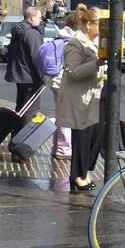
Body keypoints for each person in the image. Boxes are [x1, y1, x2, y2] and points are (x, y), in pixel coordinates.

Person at [59, 5, 104, 192]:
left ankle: (83, 171)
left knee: (97, 134)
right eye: (100, 25)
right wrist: (97, 63)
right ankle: (78, 175)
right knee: (83, 138)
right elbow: (73, 71)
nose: (101, 30)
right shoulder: (75, 43)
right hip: (80, 99)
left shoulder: (93, 42)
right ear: (89, 25)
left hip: (92, 95)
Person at [5, 5, 46, 110]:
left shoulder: (18, 30)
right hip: (31, 78)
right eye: (39, 17)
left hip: (20, 75)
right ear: (32, 17)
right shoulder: (31, 33)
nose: (40, 20)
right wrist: (43, 77)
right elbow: (37, 57)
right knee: (30, 109)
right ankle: (25, 126)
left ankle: (18, 126)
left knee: (21, 106)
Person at [48, 15, 78, 158]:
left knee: (61, 114)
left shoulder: (61, 36)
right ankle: (63, 150)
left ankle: (57, 147)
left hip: (56, 80)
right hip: (64, 82)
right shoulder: (72, 41)